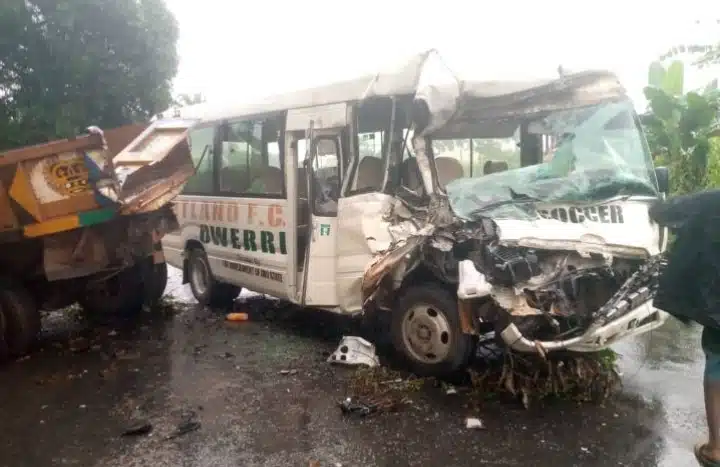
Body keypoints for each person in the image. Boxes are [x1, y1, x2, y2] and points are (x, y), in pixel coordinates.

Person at [650, 190, 720, 467]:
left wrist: (654, 201)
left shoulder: (712, 200)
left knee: (717, 365)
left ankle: (716, 449)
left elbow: (666, 212)